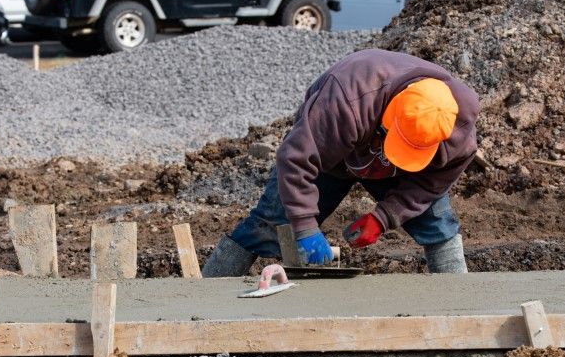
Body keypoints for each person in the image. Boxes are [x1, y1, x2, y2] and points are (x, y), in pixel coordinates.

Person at [202, 49, 480, 276]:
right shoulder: (347, 99)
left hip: (396, 170)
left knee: (438, 225)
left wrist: (383, 217)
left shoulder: (457, 129)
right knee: (268, 223)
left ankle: (460, 311)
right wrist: (306, 227)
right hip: (330, 158)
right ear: (390, 116)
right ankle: (203, 300)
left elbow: (431, 185)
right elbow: (295, 160)